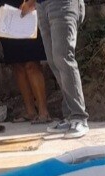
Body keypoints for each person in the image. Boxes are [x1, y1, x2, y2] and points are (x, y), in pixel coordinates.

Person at [19, 0, 88, 138]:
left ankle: (79, 117)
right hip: (42, 6)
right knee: (54, 61)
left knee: (63, 58)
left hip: (61, 4)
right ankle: (69, 117)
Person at [0, 0, 50, 124]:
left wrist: (30, 3)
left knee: (32, 64)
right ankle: (30, 111)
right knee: (17, 66)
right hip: (8, 22)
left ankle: (43, 112)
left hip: (28, 16)